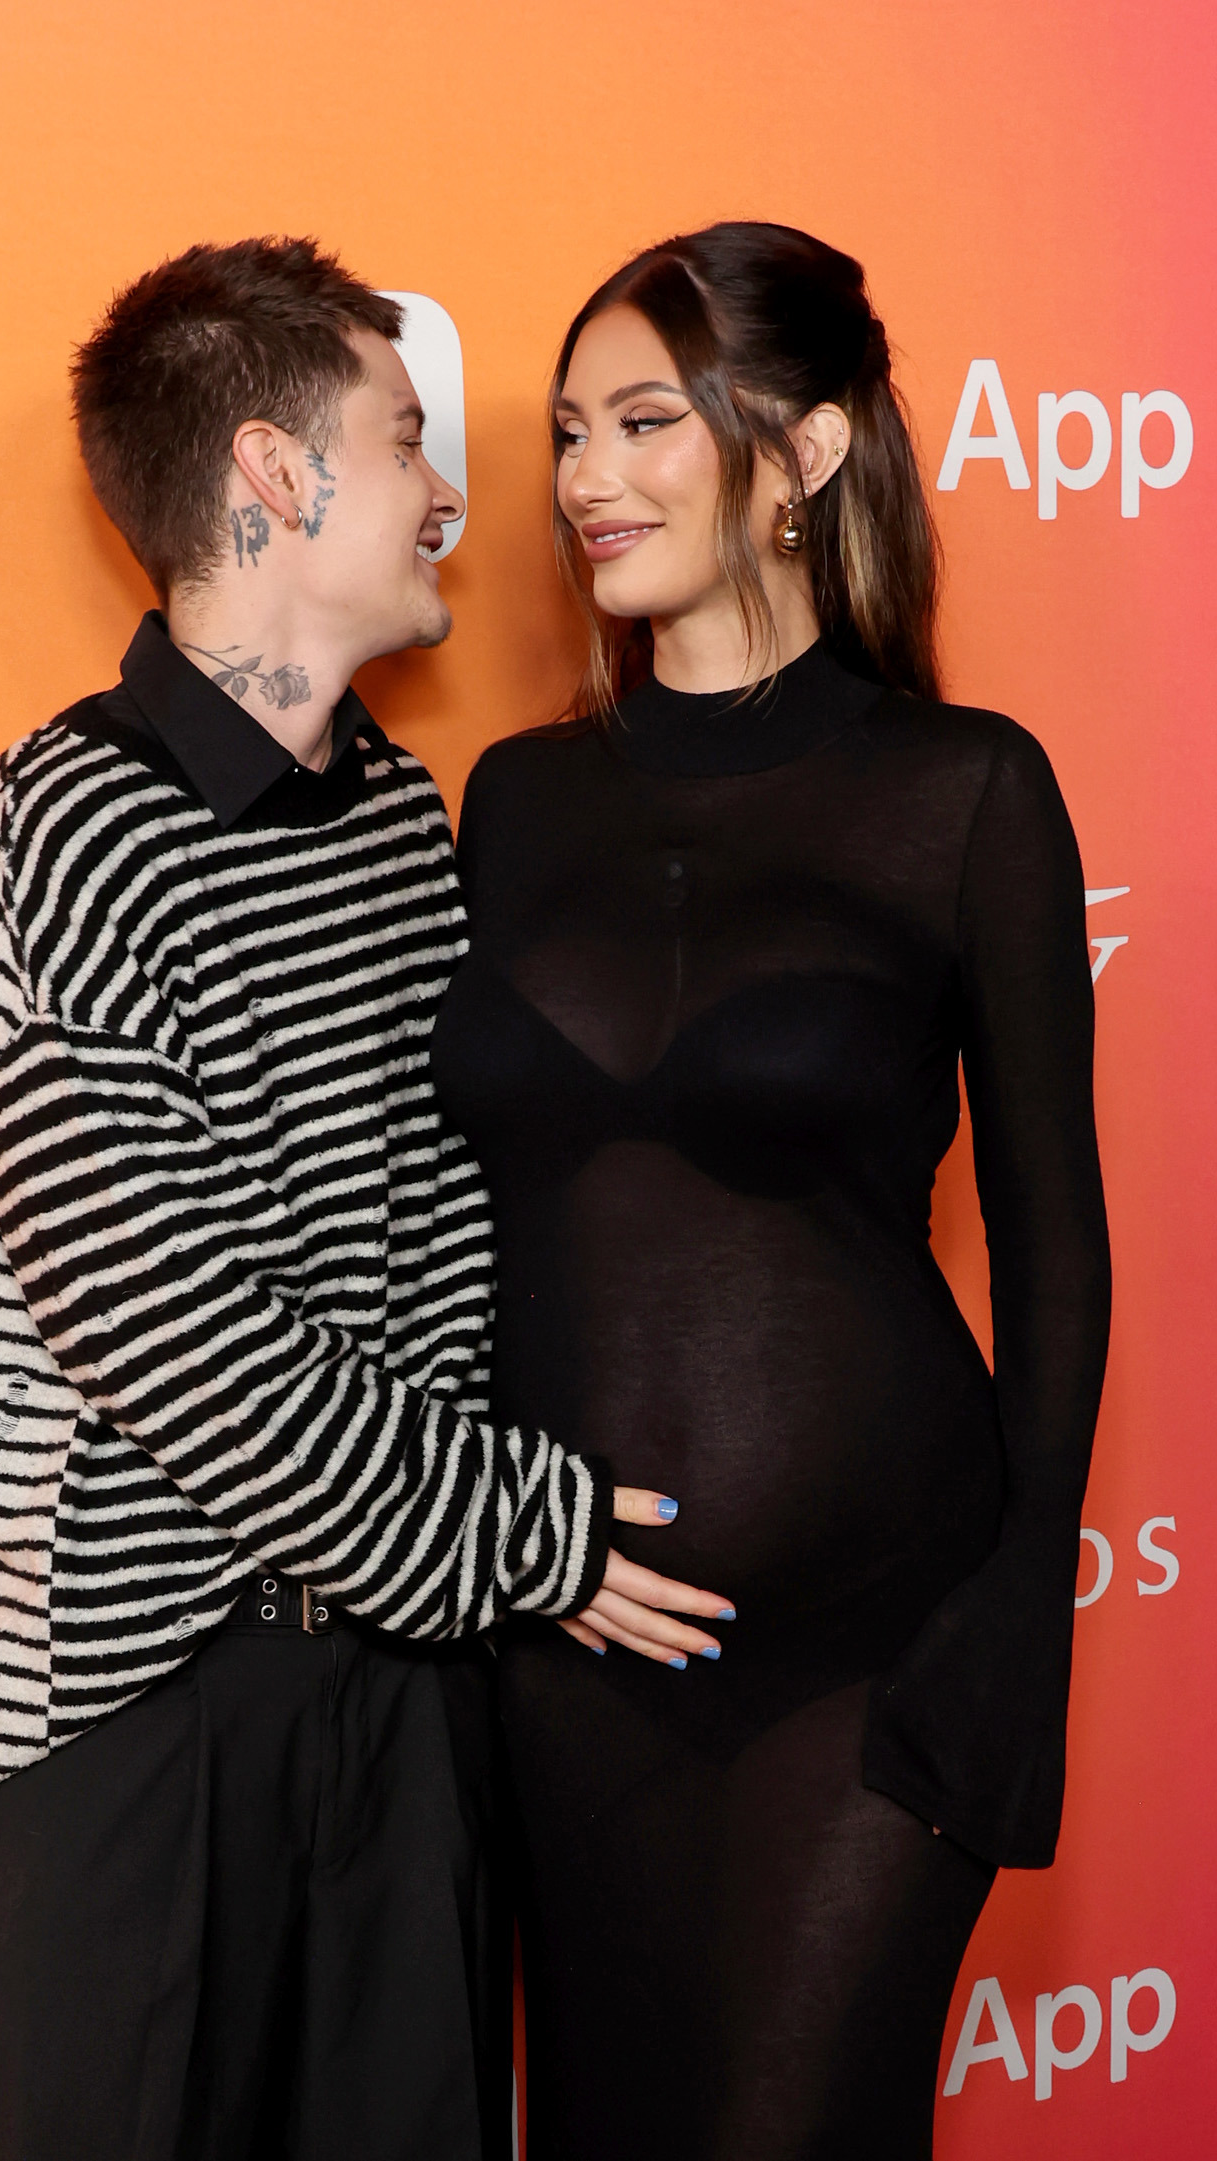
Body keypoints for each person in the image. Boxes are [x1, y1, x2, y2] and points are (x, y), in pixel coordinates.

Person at [0, 236, 730, 2161]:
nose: (455, 492)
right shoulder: (62, 826)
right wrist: (525, 1533)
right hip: (124, 1722)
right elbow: (168, 1334)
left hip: (400, 1706)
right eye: (406, 437)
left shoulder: (394, 825)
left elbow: (444, 1257)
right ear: (276, 473)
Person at [431, 222, 1111, 2160]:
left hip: (873, 1643)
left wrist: (1020, 1621)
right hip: (563, 1652)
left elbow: (1058, 1253)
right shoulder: (517, 801)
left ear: (804, 454)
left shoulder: (968, 790)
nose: (581, 479)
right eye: (569, 431)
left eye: (646, 420)